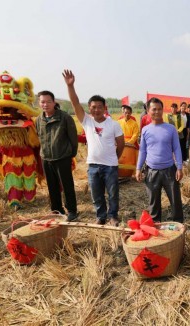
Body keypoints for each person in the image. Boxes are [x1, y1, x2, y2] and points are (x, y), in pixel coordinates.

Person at [62, 70, 125, 226]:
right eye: (93, 107)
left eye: (99, 107)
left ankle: (113, 216)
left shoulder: (113, 124)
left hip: (110, 166)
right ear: (89, 108)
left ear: (105, 107)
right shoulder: (87, 121)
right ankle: (101, 216)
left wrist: (114, 157)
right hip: (93, 166)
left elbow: (121, 143)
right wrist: (70, 86)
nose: (96, 109)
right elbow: (75, 103)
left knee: (112, 194)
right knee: (96, 195)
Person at [135, 98, 184, 223]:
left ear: (163, 110)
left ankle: (177, 226)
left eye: (159, 109)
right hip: (151, 171)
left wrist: (179, 167)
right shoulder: (145, 130)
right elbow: (143, 151)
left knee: (175, 202)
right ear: (148, 110)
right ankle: (155, 227)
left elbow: (177, 148)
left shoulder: (171, 128)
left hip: (169, 170)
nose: (157, 112)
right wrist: (138, 168)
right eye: (154, 109)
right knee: (153, 204)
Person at [35, 90, 79, 221]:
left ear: (54, 102)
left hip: (62, 158)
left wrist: (70, 155)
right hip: (46, 158)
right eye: (43, 102)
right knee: (52, 186)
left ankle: (72, 211)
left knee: (67, 186)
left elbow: (73, 139)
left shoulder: (65, 118)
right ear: (39, 103)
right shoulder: (39, 120)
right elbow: (39, 136)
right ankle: (57, 210)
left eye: (49, 101)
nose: (45, 104)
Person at [117, 105, 140, 177]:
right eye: (125, 113)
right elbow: (115, 133)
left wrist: (129, 143)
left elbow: (135, 134)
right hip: (120, 143)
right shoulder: (118, 122)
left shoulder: (134, 123)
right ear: (123, 113)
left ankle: (130, 173)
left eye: (128, 113)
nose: (127, 114)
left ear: (131, 113)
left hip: (130, 145)